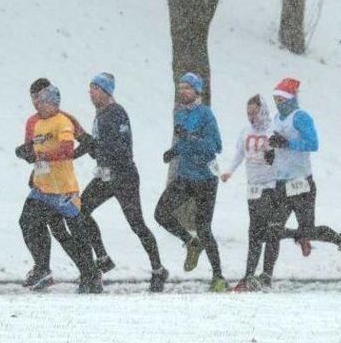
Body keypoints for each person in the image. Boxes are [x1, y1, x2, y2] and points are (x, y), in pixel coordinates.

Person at [79, 72, 169, 292]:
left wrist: (93, 145)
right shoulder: (100, 114)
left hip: (124, 176)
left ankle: (158, 270)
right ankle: (101, 257)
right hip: (104, 175)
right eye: (90, 89)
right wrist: (81, 148)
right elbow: (98, 149)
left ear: (105, 91)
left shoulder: (116, 113)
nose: (90, 94)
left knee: (137, 224)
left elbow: (119, 148)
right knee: (79, 211)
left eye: (94, 89)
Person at [260, 77, 341, 284]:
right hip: (281, 182)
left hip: (302, 183)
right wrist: (271, 153)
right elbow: (277, 145)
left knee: (308, 231)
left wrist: (287, 143)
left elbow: (313, 143)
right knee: (273, 230)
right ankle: (266, 276)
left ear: (290, 98)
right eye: (275, 99)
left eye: (280, 99)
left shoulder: (301, 117)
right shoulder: (277, 118)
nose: (277, 103)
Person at [18, 82, 102, 293]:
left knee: (71, 233)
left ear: (52, 101)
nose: (37, 104)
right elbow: (34, 151)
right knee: (27, 221)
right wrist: (25, 153)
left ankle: (90, 273)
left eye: (41, 99)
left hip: (63, 190)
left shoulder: (64, 119)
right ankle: (42, 268)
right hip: (41, 187)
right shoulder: (34, 123)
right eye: (34, 99)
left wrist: (66, 156)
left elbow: (74, 147)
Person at [155, 72, 226, 292]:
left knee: (204, 229)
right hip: (185, 176)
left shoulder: (205, 114)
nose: (183, 91)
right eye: (181, 87)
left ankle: (218, 277)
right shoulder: (179, 112)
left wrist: (190, 137)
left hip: (205, 179)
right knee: (161, 213)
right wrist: (173, 151)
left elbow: (216, 146)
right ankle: (191, 242)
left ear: (197, 91)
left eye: (187, 88)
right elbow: (183, 142)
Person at [222, 94, 280, 292]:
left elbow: (284, 154)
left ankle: (264, 276)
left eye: (254, 113)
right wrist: (229, 171)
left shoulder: (274, 129)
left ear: (262, 110)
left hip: (271, 186)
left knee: (265, 231)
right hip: (252, 187)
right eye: (248, 113)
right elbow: (239, 153)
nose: (251, 117)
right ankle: (250, 276)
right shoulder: (245, 131)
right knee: (255, 231)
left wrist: (274, 156)